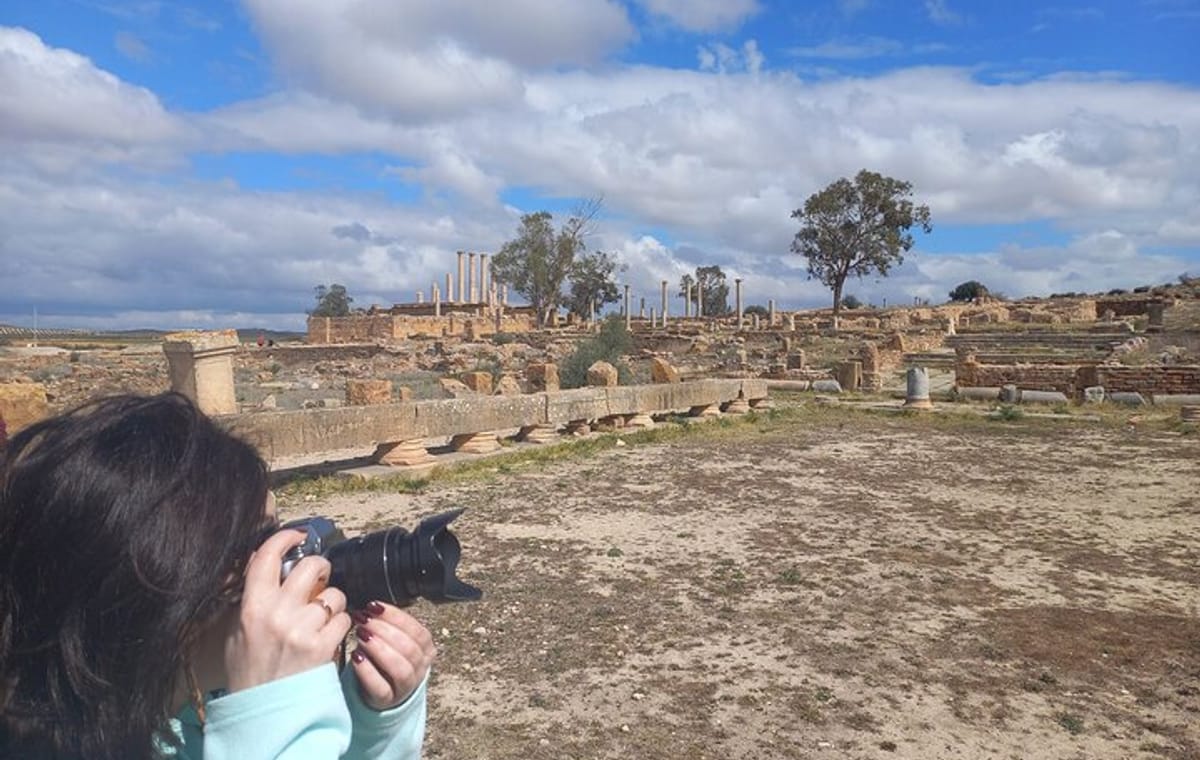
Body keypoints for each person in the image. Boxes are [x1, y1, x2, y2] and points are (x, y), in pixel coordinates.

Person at [0, 393, 435, 759]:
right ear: (162, 591)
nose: (286, 562)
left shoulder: (185, 718)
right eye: (256, 544)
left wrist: (372, 725)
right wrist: (269, 718)